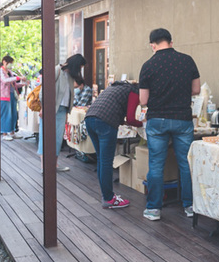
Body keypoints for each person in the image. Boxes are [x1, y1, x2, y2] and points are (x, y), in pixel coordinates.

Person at [138, 28, 200, 221]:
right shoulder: (187, 60)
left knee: (156, 164)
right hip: (182, 119)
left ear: (152, 45)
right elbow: (196, 89)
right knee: (186, 163)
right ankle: (190, 206)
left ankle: (154, 209)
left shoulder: (148, 65)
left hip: (157, 121)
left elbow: (143, 100)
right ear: (171, 42)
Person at [84, 81, 142, 209]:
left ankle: (106, 195)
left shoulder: (116, 87)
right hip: (105, 123)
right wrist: (143, 123)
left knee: (101, 159)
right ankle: (109, 198)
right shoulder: (134, 92)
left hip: (89, 119)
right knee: (106, 161)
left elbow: (113, 107)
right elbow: (132, 119)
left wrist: (124, 121)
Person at [38, 54, 86, 172]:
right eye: (80, 67)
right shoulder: (56, 70)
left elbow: (68, 94)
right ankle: (44, 166)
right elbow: (44, 89)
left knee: (58, 139)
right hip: (50, 108)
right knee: (45, 136)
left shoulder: (70, 75)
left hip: (62, 110)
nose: (80, 69)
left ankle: (54, 165)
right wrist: (43, 107)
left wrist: (66, 113)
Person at [0, 56, 26, 141]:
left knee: (13, 114)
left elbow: (14, 84)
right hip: (4, 96)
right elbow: (4, 80)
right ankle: (4, 133)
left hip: (12, 94)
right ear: (4, 62)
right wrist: (18, 78)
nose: (11, 65)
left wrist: (23, 84)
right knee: (6, 114)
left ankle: (12, 132)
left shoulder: (10, 72)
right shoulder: (0, 71)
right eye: (10, 63)